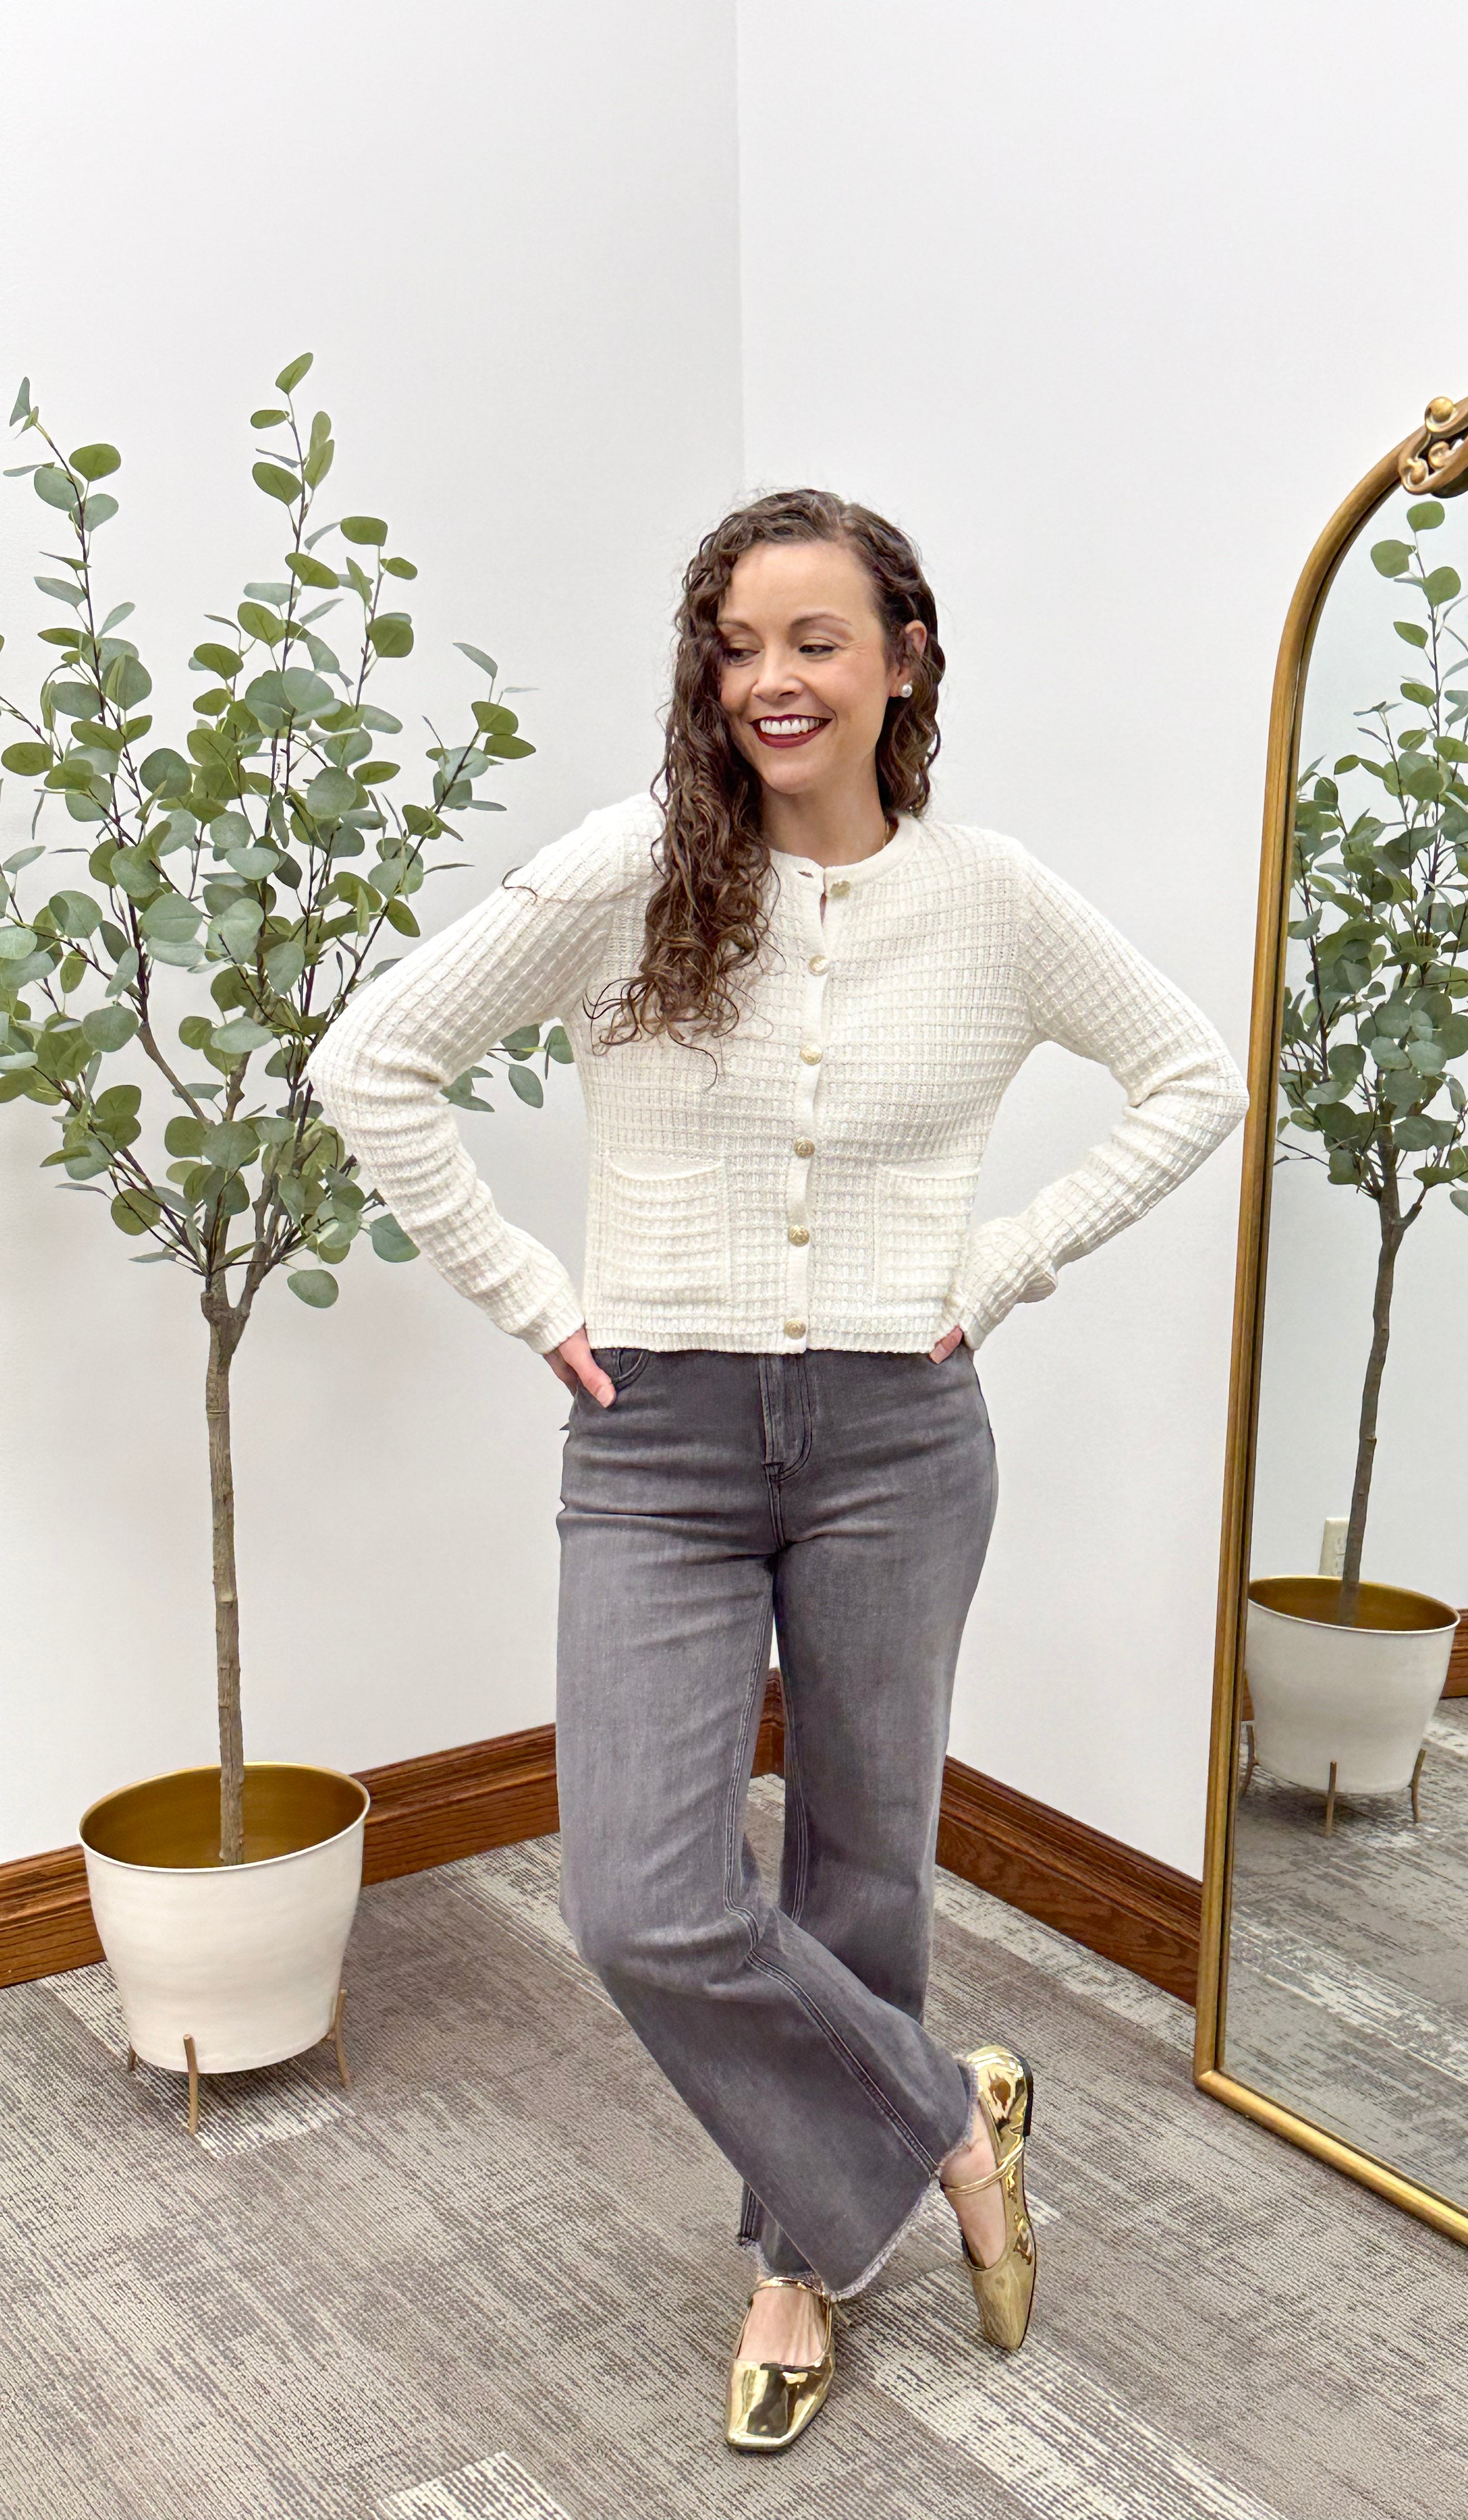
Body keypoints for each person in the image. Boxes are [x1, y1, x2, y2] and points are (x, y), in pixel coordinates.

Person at [307, 489, 1247, 2446]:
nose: (768, 683)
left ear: (903, 656)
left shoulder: (988, 899)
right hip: (657, 1432)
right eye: (735, 646)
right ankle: (944, 2121)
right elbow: (370, 1059)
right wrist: (528, 1294)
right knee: (642, 1898)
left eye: (812, 641)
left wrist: (999, 1267)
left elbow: (1196, 1078)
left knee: (856, 1870)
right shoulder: (635, 866)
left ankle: (800, 2263)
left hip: (902, 1436)